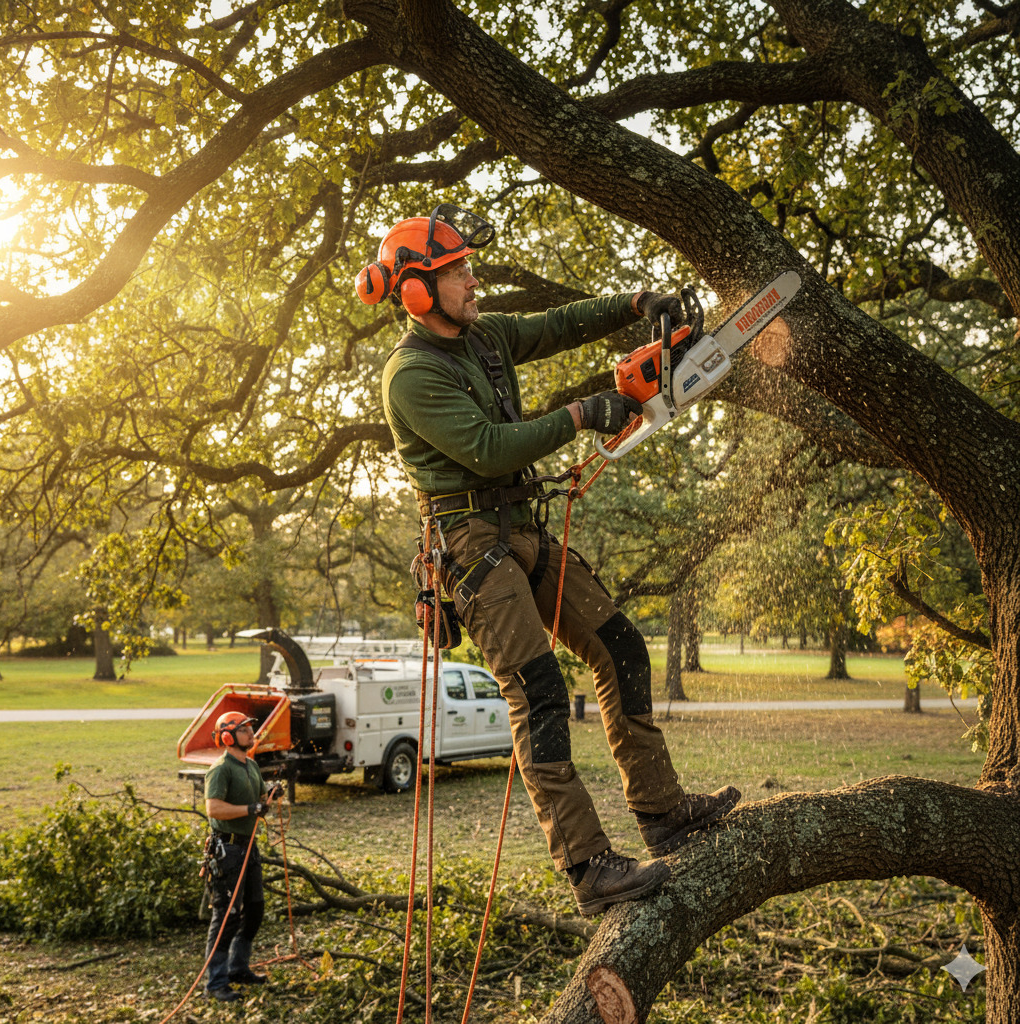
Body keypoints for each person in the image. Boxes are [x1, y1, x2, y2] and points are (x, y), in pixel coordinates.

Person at [359, 203, 740, 916]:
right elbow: (489, 448)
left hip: (523, 530)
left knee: (620, 645)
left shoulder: (488, 337)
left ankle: (662, 814)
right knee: (536, 694)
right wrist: (585, 413)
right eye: (458, 272)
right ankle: (589, 867)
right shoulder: (409, 375)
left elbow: (558, 325)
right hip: (471, 545)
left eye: (470, 266)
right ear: (418, 291)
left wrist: (636, 303)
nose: (474, 281)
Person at [201, 711, 279, 1001]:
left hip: (249, 847)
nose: (251, 733)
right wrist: (250, 810)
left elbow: (258, 800)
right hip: (228, 850)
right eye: (244, 730)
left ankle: (238, 968)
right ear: (227, 736)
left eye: (250, 729)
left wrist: (269, 794)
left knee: (255, 909)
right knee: (226, 916)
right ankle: (216, 983)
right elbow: (214, 809)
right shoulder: (221, 769)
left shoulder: (252, 765)